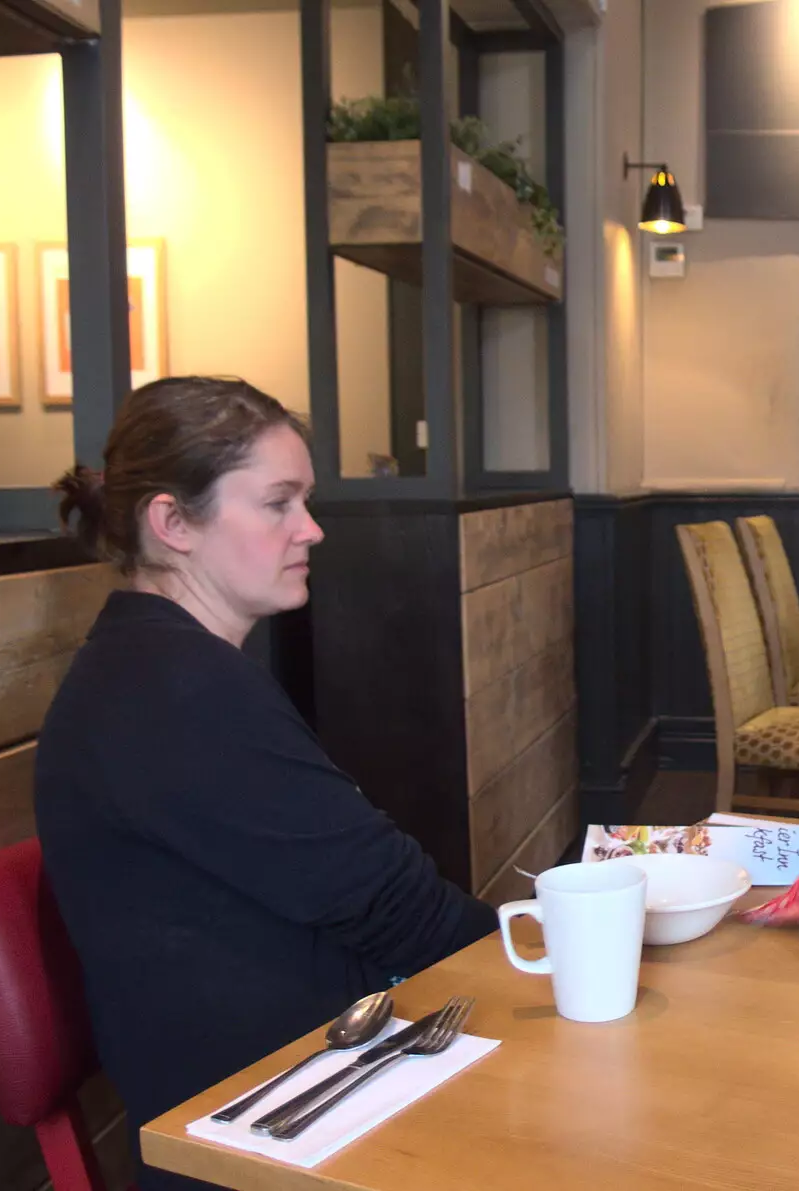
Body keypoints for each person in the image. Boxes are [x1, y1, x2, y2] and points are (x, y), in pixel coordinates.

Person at [34, 377, 497, 1191]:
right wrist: (553, 952)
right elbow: (392, 903)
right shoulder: (171, 691)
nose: (311, 529)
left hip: (320, 1078)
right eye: (279, 502)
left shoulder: (168, 665)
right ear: (173, 522)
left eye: (306, 501)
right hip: (258, 1129)